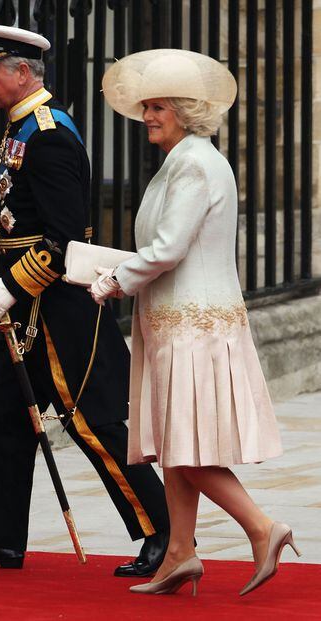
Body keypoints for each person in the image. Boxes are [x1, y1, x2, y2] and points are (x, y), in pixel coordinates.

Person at [0, 24, 170, 575]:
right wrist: (2, 226)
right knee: (7, 418)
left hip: (55, 307)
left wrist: (14, 284)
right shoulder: (21, 126)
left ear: (22, 73)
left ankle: (164, 534)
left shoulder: (50, 132)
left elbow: (66, 236)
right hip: (23, 307)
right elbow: (30, 210)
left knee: (96, 423)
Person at [91, 48, 301, 596]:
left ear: (185, 111)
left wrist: (114, 278)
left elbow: (168, 249)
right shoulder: (182, 160)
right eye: (146, 107)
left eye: (158, 107)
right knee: (176, 443)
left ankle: (262, 527)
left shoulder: (196, 164)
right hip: (175, 322)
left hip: (192, 327)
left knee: (188, 448)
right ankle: (180, 553)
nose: (148, 117)